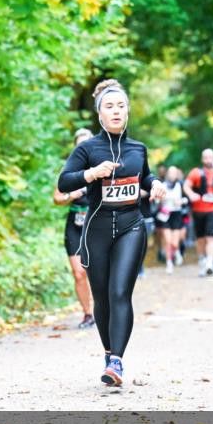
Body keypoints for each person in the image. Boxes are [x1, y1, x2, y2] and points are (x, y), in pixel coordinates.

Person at [58, 79, 165, 387]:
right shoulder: (87, 149)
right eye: (109, 107)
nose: (116, 111)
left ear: (127, 111)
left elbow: (145, 176)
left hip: (132, 226)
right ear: (100, 114)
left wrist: (154, 184)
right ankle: (109, 353)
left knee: (120, 292)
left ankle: (117, 361)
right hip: (96, 231)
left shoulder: (138, 148)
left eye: (121, 106)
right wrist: (91, 173)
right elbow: (64, 182)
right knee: (102, 299)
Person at [52, 128, 95, 329]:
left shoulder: (103, 167)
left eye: (86, 143)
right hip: (75, 224)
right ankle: (88, 314)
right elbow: (57, 198)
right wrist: (72, 195)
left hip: (98, 223)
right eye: (79, 144)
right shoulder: (69, 170)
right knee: (79, 273)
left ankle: (107, 309)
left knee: (100, 271)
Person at [183, 149, 213, 277]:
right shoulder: (195, 172)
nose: (208, 159)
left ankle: (210, 263)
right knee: (200, 239)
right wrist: (191, 194)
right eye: (206, 157)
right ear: (202, 159)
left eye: (211, 157)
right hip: (198, 210)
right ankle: (202, 261)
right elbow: (186, 185)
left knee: (211, 236)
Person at [157, 166, 185, 274]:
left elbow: (187, 199)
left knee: (174, 242)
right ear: (167, 174)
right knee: (168, 241)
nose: (172, 175)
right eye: (170, 173)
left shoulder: (180, 185)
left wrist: (182, 201)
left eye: (174, 173)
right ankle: (169, 263)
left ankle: (177, 252)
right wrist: (159, 199)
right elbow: (156, 201)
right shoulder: (162, 185)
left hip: (176, 215)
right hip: (165, 215)